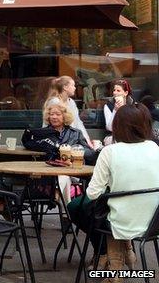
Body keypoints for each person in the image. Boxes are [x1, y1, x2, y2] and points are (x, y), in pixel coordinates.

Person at [68, 104, 159, 280]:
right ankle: (126, 252)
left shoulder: (110, 152)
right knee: (113, 208)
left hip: (121, 221)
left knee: (83, 208)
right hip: (154, 222)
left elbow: (93, 193)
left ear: (117, 126)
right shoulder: (155, 148)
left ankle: (112, 266)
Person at [43, 75, 93, 148]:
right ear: (65, 87)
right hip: (57, 140)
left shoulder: (71, 102)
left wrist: (87, 140)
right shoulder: (55, 101)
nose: (75, 88)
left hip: (72, 137)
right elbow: (47, 123)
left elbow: (78, 122)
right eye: (73, 85)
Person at [103, 79, 134, 145]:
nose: (115, 93)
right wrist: (115, 110)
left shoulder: (133, 105)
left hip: (130, 135)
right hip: (113, 136)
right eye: (114, 90)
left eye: (118, 91)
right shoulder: (108, 106)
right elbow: (110, 128)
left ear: (125, 93)